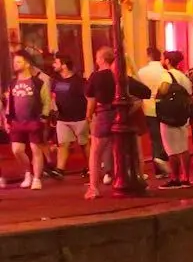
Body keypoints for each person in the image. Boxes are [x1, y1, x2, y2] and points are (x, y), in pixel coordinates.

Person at [83, 46, 151, 200]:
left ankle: (94, 187)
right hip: (123, 116)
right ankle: (137, 180)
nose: (96, 60)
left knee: (96, 152)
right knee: (129, 151)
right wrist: (132, 105)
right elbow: (146, 92)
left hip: (104, 115)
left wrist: (88, 116)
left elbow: (91, 101)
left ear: (101, 59)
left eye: (97, 57)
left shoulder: (96, 77)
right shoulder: (122, 78)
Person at [5, 49, 52, 190]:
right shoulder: (12, 83)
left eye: (18, 62)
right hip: (17, 121)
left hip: (34, 120)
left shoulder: (38, 82)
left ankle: (37, 178)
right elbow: (10, 103)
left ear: (27, 64)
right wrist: (7, 119)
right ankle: (28, 172)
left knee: (35, 149)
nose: (15, 65)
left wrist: (44, 117)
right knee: (17, 150)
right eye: (14, 62)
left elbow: (47, 100)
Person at [50, 53, 89, 180]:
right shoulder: (56, 81)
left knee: (85, 144)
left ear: (64, 65)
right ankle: (60, 169)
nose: (53, 65)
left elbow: (88, 98)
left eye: (56, 62)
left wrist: (90, 115)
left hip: (80, 118)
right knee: (63, 144)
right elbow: (54, 96)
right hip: (63, 119)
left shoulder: (79, 82)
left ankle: (92, 167)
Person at [157, 51, 193, 189]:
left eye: (162, 58)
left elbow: (163, 89)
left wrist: (158, 96)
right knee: (183, 147)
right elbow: (189, 94)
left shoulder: (166, 75)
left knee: (171, 149)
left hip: (169, 115)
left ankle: (175, 178)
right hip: (183, 115)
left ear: (167, 61)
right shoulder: (184, 77)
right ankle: (186, 178)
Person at [136, 47, 171, 179]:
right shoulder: (163, 72)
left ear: (148, 56)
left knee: (153, 139)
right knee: (162, 138)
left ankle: (157, 166)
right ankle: (161, 165)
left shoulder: (142, 72)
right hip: (161, 108)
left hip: (147, 108)